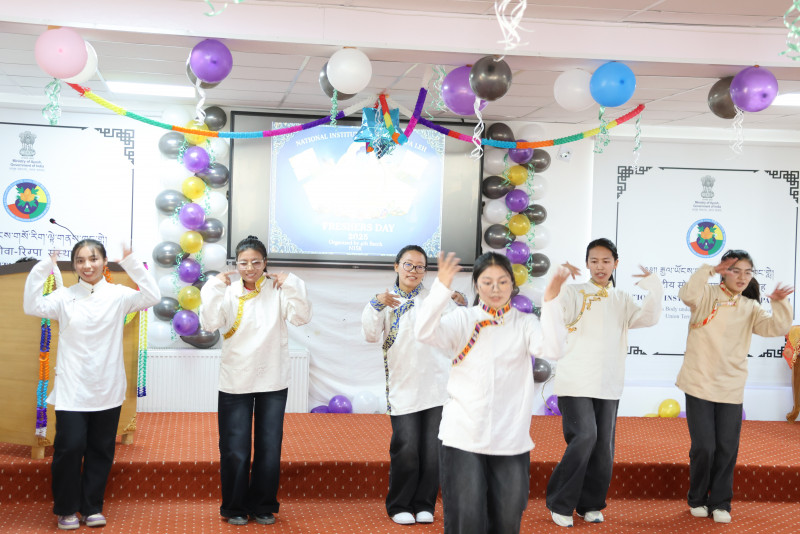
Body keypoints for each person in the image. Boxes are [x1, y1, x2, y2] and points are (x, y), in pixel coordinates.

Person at [414, 251, 566, 534]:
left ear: (512, 284)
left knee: (507, 521)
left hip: (511, 440)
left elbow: (554, 349)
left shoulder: (524, 323)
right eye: (487, 282)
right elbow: (423, 332)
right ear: (476, 285)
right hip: (463, 436)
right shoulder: (462, 319)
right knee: (466, 520)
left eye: (502, 281)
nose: (495, 289)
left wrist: (551, 301)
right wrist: (442, 288)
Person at [23, 240, 159, 531]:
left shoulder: (119, 295)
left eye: (93, 259)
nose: (87, 266)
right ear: (74, 265)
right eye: (80, 260)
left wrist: (132, 263)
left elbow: (152, 295)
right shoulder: (64, 297)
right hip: (72, 388)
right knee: (69, 448)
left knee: (101, 449)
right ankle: (66, 509)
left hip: (107, 387)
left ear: (104, 262)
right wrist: (44, 268)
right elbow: (31, 305)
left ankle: (92, 506)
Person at [544, 238, 663, 528]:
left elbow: (648, 318)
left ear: (615, 264)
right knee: (585, 436)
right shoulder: (573, 292)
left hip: (608, 381)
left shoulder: (622, 298)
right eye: (594, 261)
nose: (600, 266)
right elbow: (554, 309)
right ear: (586, 263)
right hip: (575, 380)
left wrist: (654, 286)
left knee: (602, 448)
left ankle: (591, 504)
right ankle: (560, 502)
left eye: (606, 261)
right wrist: (557, 280)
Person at [199, 235, 312, 526]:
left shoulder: (278, 289)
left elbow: (301, 317)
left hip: (272, 378)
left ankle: (263, 504)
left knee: (269, 447)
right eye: (243, 263)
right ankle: (234, 506)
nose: (250, 268)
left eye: (256, 262)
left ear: (265, 263)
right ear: (236, 264)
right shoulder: (227, 290)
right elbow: (209, 323)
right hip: (236, 377)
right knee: (235, 447)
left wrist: (293, 283)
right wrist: (213, 288)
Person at [677, 249, 792, 524]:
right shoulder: (706, 295)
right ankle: (697, 498)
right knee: (704, 446)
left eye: (747, 273)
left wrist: (779, 303)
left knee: (727, 447)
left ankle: (720, 502)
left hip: (730, 385)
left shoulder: (750, 307)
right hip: (699, 381)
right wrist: (708, 270)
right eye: (736, 271)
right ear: (724, 272)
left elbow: (776, 328)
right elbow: (687, 295)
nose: (742, 277)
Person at [361, 245, 464, 526]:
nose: (413, 271)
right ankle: (399, 504)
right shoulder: (386, 300)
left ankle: (424, 504)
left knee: (432, 451)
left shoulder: (436, 298)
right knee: (406, 447)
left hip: (437, 387)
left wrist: (459, 300)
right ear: (396, 266)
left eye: (420, 267)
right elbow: (370, 334)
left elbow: (459, 326)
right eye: (408, 264)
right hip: (403, 387)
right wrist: (376, 304)